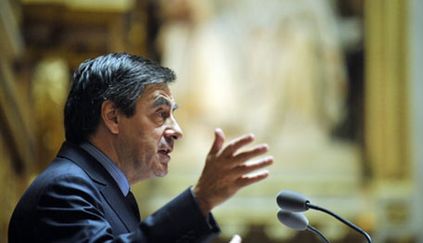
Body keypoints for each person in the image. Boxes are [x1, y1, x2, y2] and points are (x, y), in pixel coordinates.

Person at [8, 53, 273, 242]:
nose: (177, 131)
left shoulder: (109, 192)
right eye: (160, 114)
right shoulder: (64, 188)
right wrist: (200, 199)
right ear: (113, 117)